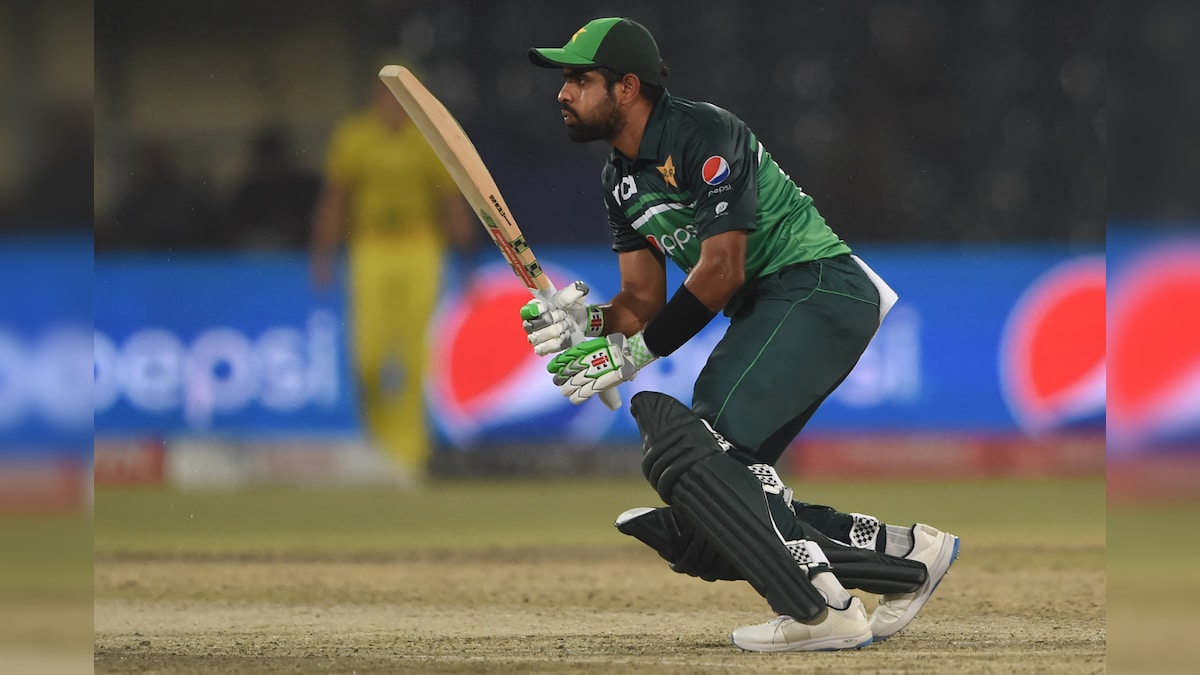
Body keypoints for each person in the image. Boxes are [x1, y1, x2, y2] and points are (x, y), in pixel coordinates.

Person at [521, 17, 959, 652]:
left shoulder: (703, 133)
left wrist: (635, 355)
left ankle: (821, 610)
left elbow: (722, 270)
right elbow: (641, 302)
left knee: (697, 452)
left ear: (627, 87)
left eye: (580, 79)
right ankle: (905, 556)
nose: (563, 93)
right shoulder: (619, 179)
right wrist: (584, 322)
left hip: (816, 286)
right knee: (720, 495)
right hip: (774, 306)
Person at [311, 74, 475, 477]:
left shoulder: (427, 136)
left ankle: (410, 453)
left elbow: (450, 198)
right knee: (368, 357)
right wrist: (323, 253)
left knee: (417, 355)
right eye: (386, 96)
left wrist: (466, 257)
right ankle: (378, 440)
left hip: (420, 247)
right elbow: (336, 198)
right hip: (371, 247)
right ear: (374, 97)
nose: (393, 106)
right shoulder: (355, 136)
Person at [225, 126, 321, 251]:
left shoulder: (307, 187)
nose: (272, 165)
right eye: (267, 160)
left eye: (275, 158)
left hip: (301, 252)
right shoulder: (247, 193)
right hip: (257, 254)